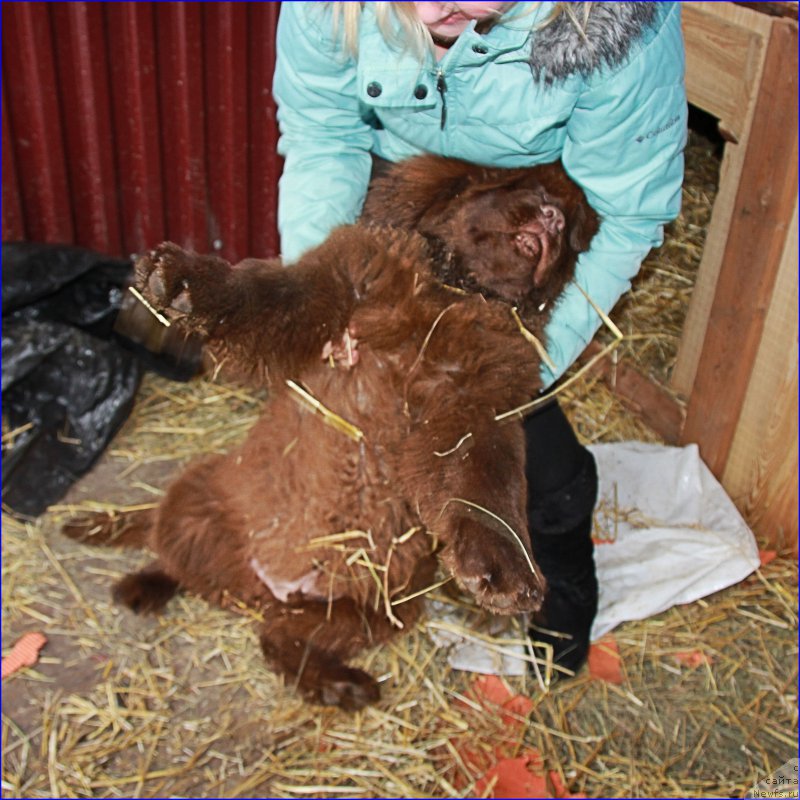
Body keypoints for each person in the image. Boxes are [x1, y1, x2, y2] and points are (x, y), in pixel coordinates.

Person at [272, 1, 687, 673]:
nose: (434, 9)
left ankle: (560, 562)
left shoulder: (619, 26)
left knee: (523, 446)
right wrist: (321, 289)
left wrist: (517, 370)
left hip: (522, 211)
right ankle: (398, 549)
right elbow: (323, 134)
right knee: (377, 397)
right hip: (407, 191)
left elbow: (630, 212)